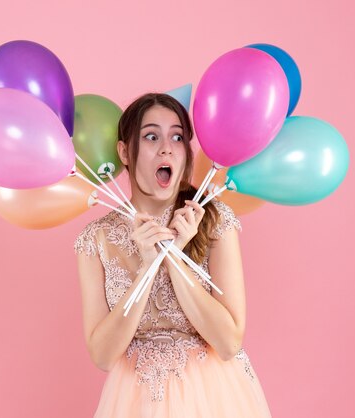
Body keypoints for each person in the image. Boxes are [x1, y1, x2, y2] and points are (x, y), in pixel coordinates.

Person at [74, 93, 272, 417]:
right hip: (135, 403)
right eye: (151, 136)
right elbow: (103, 356)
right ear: (124, 151)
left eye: (177, 137)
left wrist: (175, 257)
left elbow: (228, 342)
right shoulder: (96, 239)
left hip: (214, 400)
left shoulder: (213, 219)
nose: (166, 148)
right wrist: (148, 267)